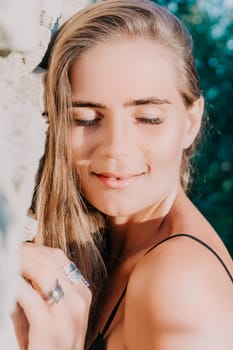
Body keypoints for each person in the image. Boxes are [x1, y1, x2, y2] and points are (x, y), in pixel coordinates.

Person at [13, 0, 233, 349]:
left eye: (148, 118)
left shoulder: (180, 283)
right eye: (85, 119)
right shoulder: (118, 249)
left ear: (190, 122)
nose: (116, 147)